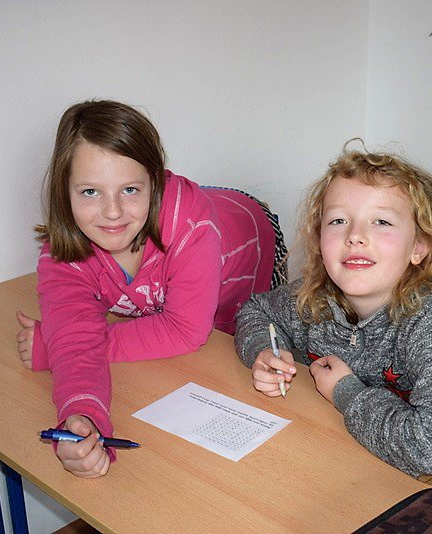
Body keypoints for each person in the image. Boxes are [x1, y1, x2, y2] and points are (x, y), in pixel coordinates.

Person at [15, 100, 287, 478]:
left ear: (154, 183)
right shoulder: (62, 256)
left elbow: (186, 330)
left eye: (129, 189)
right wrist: (82, 415)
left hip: (246, 240)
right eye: (90, 192)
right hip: (187, 251)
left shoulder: (191, 225)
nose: (112, 212)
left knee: (231, 355)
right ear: (65, 192)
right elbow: (79, 337)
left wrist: (59, 345)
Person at [234, 144, 432, 487]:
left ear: (419, 246)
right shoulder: (316, 296)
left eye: (381, 221)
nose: (355, 236)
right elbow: (257, 311)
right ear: (320, 240)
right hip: (344, 463)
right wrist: (265, 352)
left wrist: (346, 392)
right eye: (338, 221)